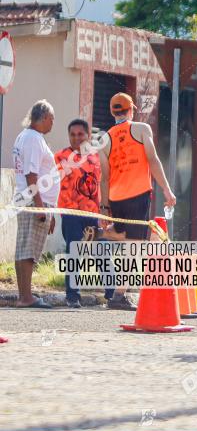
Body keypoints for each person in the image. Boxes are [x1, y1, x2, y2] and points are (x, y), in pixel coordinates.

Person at [98, 92, 176, 310]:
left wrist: (104, 207)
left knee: (139, 239)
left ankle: (104, 232)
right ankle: (118, 296)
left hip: (116, 197)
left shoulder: (105, 139)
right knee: (135, 246)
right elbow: (153, 160)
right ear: (131, 109)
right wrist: (167, 190)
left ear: (113, 112)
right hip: (138, 194)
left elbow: (104, 177)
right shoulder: (142, 129)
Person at [54, 118, 110, 308]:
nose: (76, 138)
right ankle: (72, 297)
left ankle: (113, 294)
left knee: (100, 251)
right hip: (70, 214)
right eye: (72, 134)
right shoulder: (60, 156)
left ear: (88, 135)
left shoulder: (96, 157)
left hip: (92, 214)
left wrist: (104, 210)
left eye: (80, 134)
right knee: (74, 253)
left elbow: (102, 185)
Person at [12, 100, 59, 308]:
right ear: (44, 117)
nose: (53, 123)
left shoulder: (26, 136)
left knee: (24, 248)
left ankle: (24, 296)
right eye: (52, 119)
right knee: (29, 250)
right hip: (33, 200)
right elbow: (32, 174)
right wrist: (41, 207)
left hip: (28, 198)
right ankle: (26, 297)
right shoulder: (33, 139)